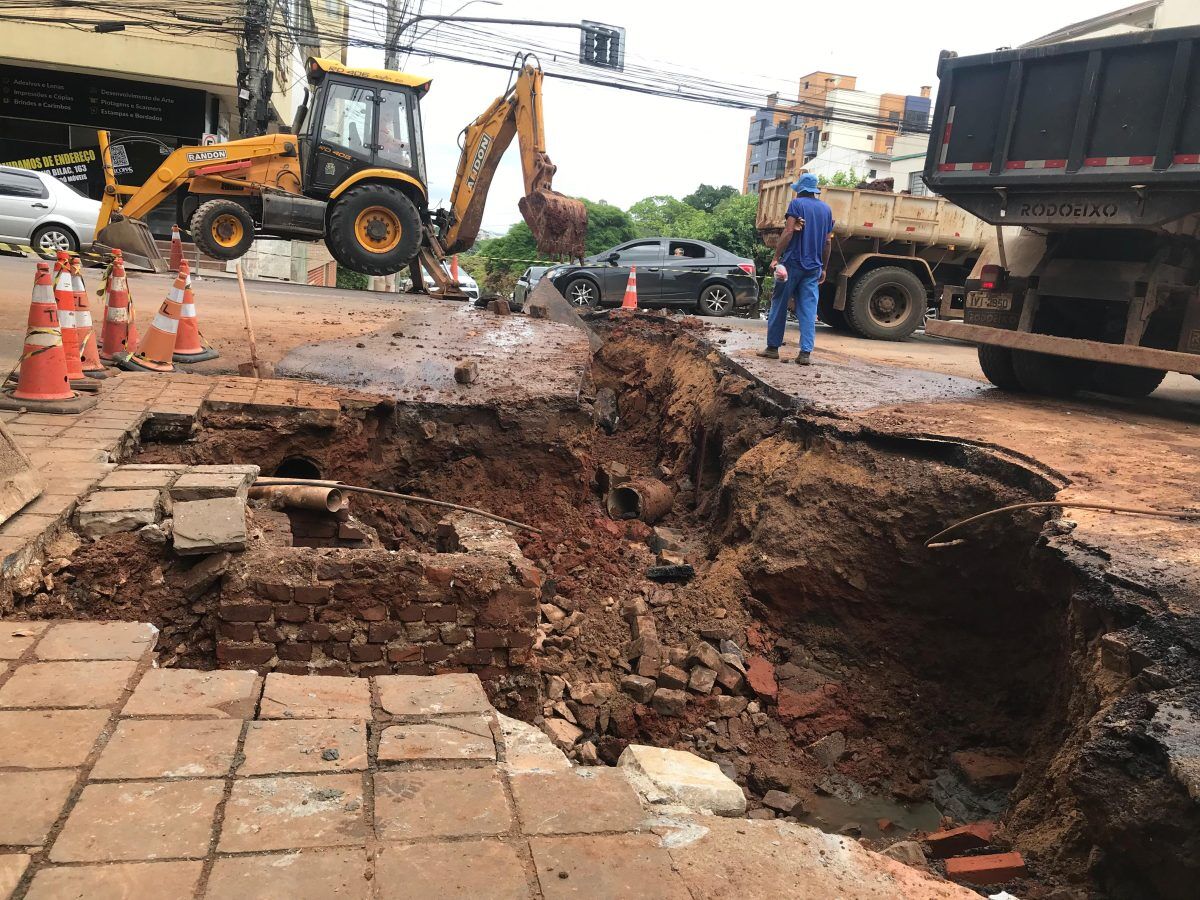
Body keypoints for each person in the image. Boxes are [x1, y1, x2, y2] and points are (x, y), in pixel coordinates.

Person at [757, 172, 834, 365]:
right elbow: (827, 243)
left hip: (792, 264)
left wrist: (776, 257)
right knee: (808, 308)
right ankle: (805, 353)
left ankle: (773, 348)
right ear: (814, 190)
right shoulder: (826, 210)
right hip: (813, 267)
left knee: (779, 303)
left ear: (800, 189)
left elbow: (789, 231)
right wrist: (824, 268)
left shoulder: (796, 204)